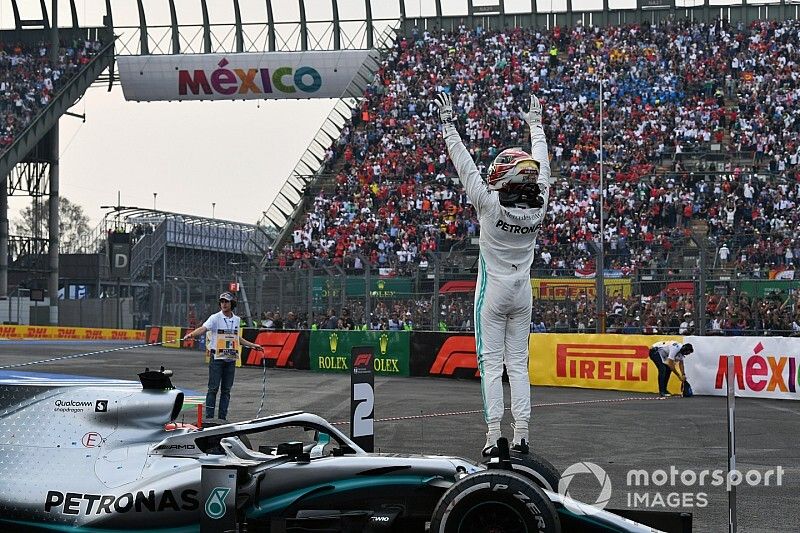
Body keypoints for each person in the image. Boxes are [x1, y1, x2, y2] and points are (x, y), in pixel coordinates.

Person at [435, 92, 551, 456]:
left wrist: (449, 126)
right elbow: (543, 164)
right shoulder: (541, 204)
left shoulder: (488, 204)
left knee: (490, 362)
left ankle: (492, 437)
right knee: (519, 364)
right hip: (522, 291)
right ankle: (522, 434)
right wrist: (536, 126)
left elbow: (464, 165)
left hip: (493, 292)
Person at [182, 292, 264, 422]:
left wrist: (252, 345)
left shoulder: (236, 320)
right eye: (222, 302)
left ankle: (222, 418)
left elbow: (237, 338)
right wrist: (192, 334)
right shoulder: (215, 318)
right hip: (217, 359)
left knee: (226, 391)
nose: (224, 304)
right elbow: (203, 328)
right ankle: (209, 418)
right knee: (213, 389)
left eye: (226, 302)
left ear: (232, 304)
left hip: (230, 359)